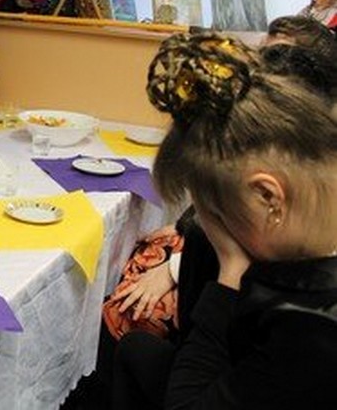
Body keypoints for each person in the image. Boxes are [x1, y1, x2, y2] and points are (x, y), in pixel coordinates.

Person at [116, 32, 337, 409]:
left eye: (217, 217)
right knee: (137, 351)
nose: (211, 228)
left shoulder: (311, 330)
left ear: (268, 197)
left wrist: (230, 274)